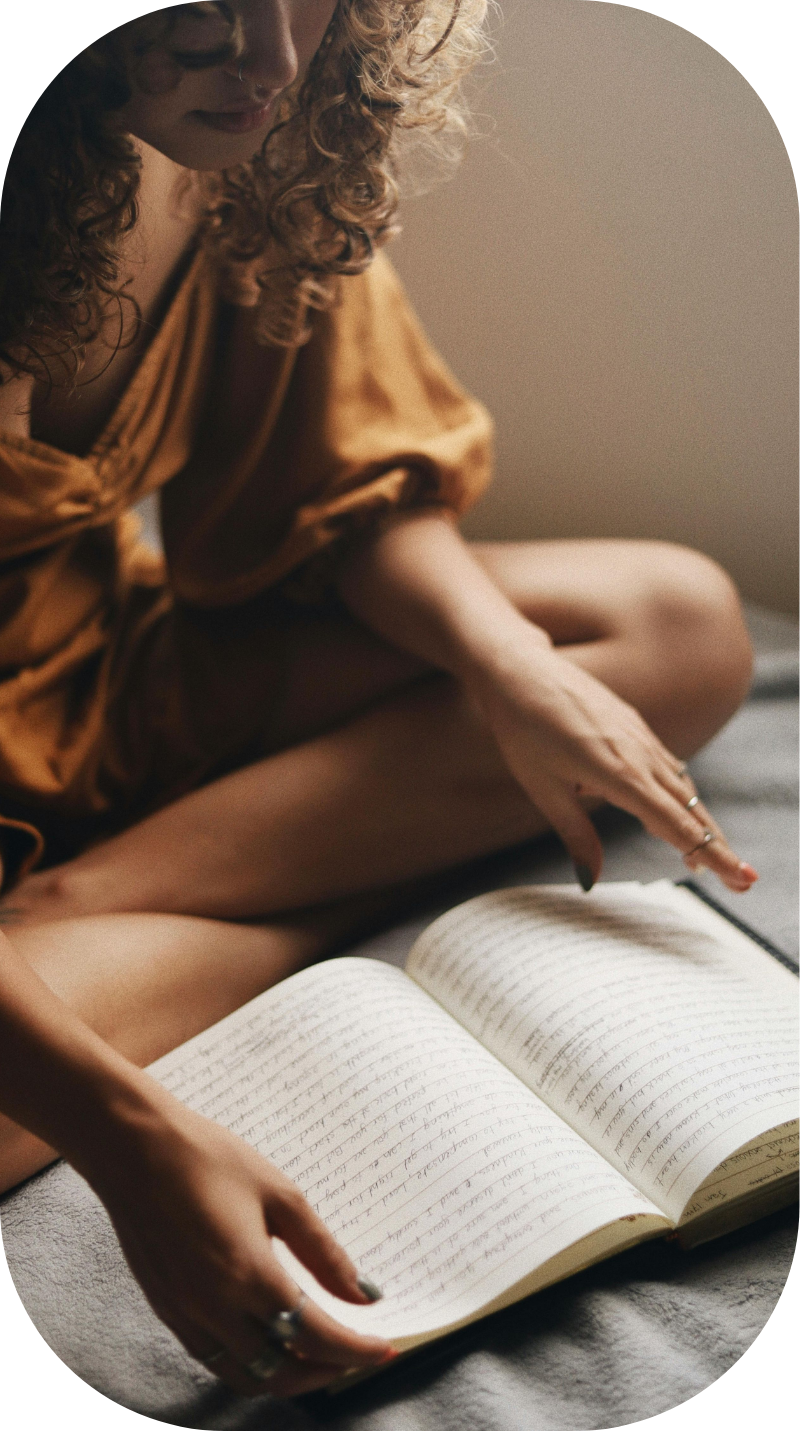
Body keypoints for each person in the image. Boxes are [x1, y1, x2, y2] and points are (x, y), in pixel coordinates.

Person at [0, 1, 757, 1400]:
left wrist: (511, 670)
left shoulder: (242, 138)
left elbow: (344, 501)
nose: (277, 60)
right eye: (211, 7)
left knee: (679, 627)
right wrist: (134, 1136)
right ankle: (125, 937)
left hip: (109, 676)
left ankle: (82, 930)